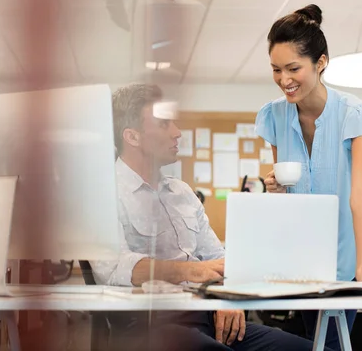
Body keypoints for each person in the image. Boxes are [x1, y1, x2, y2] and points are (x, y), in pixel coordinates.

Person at [92, 83, 322, 351]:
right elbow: (114, 267)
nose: (177, 132)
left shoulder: (182, 192)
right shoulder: (103, 194)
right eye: (164, 124)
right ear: (132, 137)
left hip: (206, 317)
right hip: (147, 327)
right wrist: (190, 270)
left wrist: (226, 297)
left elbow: (217, 258)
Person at [254, 4, 362, 350]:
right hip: (299, 258)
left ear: (320, 63)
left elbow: (361, 193)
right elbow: (286, 193)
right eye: (276, 69)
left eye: (293, 68)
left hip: (344, 256)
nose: (284, 80)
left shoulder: (354, 114)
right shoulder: (273, 116)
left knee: (331, 341)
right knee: (314, 341)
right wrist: (274, 186)